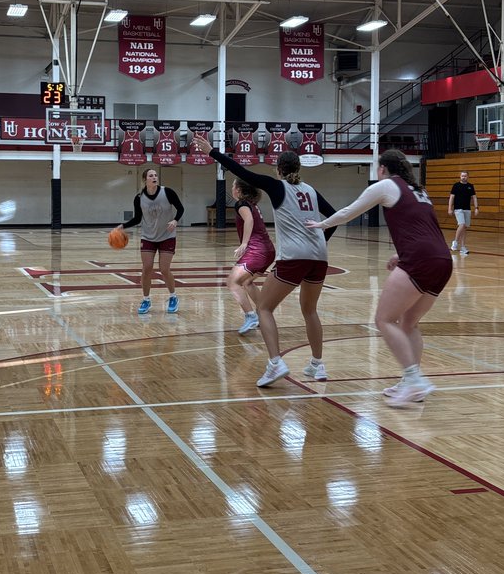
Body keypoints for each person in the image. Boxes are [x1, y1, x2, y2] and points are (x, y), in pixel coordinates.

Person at [306, 149, 452, 406]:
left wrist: (322, 224)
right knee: (409, 323)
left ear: (382, 168)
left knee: (384, 319)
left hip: (420, 259)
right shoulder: (418, 190)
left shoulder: (386, 185)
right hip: (442, 260)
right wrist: (400, 253)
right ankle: (412, 383)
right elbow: (424, 228)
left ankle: (414, 379)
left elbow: (350, 211)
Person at [191, 134, 336, 387]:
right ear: (298, 169)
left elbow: (241, 172)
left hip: (294, 257)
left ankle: (275, 363)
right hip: (319, 257)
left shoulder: (278, 186)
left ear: (279, 169)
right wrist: (320, 241)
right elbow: (333, 216)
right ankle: (317, 364)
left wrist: (212, 151)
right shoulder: (311, 191)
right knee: (310, 310)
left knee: (264, 308)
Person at [111, 167, 184, 314]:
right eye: (151, 176)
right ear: (145, 180)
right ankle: (146, 299)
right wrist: (123, 226)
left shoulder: (167, 192)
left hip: (167, 235)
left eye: (155, 175)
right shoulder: (139, 198)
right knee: (147, 268)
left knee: (164, 269)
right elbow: (138, 219)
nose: (154, 177)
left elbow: (181, 208)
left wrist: (175, 220)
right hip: (148, 236)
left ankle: (173, 296)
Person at [229, 178, 276, 334]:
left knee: (233, 282)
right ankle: (264, 314)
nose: (231, 188)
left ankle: (251, 316)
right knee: (247, 282)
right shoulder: (252, 204)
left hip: (257, 250)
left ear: (239, 190)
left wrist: (244, 243)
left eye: (233, 186)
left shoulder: (241, 204)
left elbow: (249, 220)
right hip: (268, 250)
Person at [448, 170, 478, 255]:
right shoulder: (456, 185)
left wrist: (476, 208)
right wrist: (449, 208)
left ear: (468, 177)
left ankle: (463, 247)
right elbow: (451, 197)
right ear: (460, 176)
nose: (463, 177)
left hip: (467, 209)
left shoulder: (470, 186)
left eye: (465, 176)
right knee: (461, 224)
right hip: (458, 209)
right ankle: (455, 242)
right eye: (462, 176)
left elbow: (474, 197)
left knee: (464, 227)